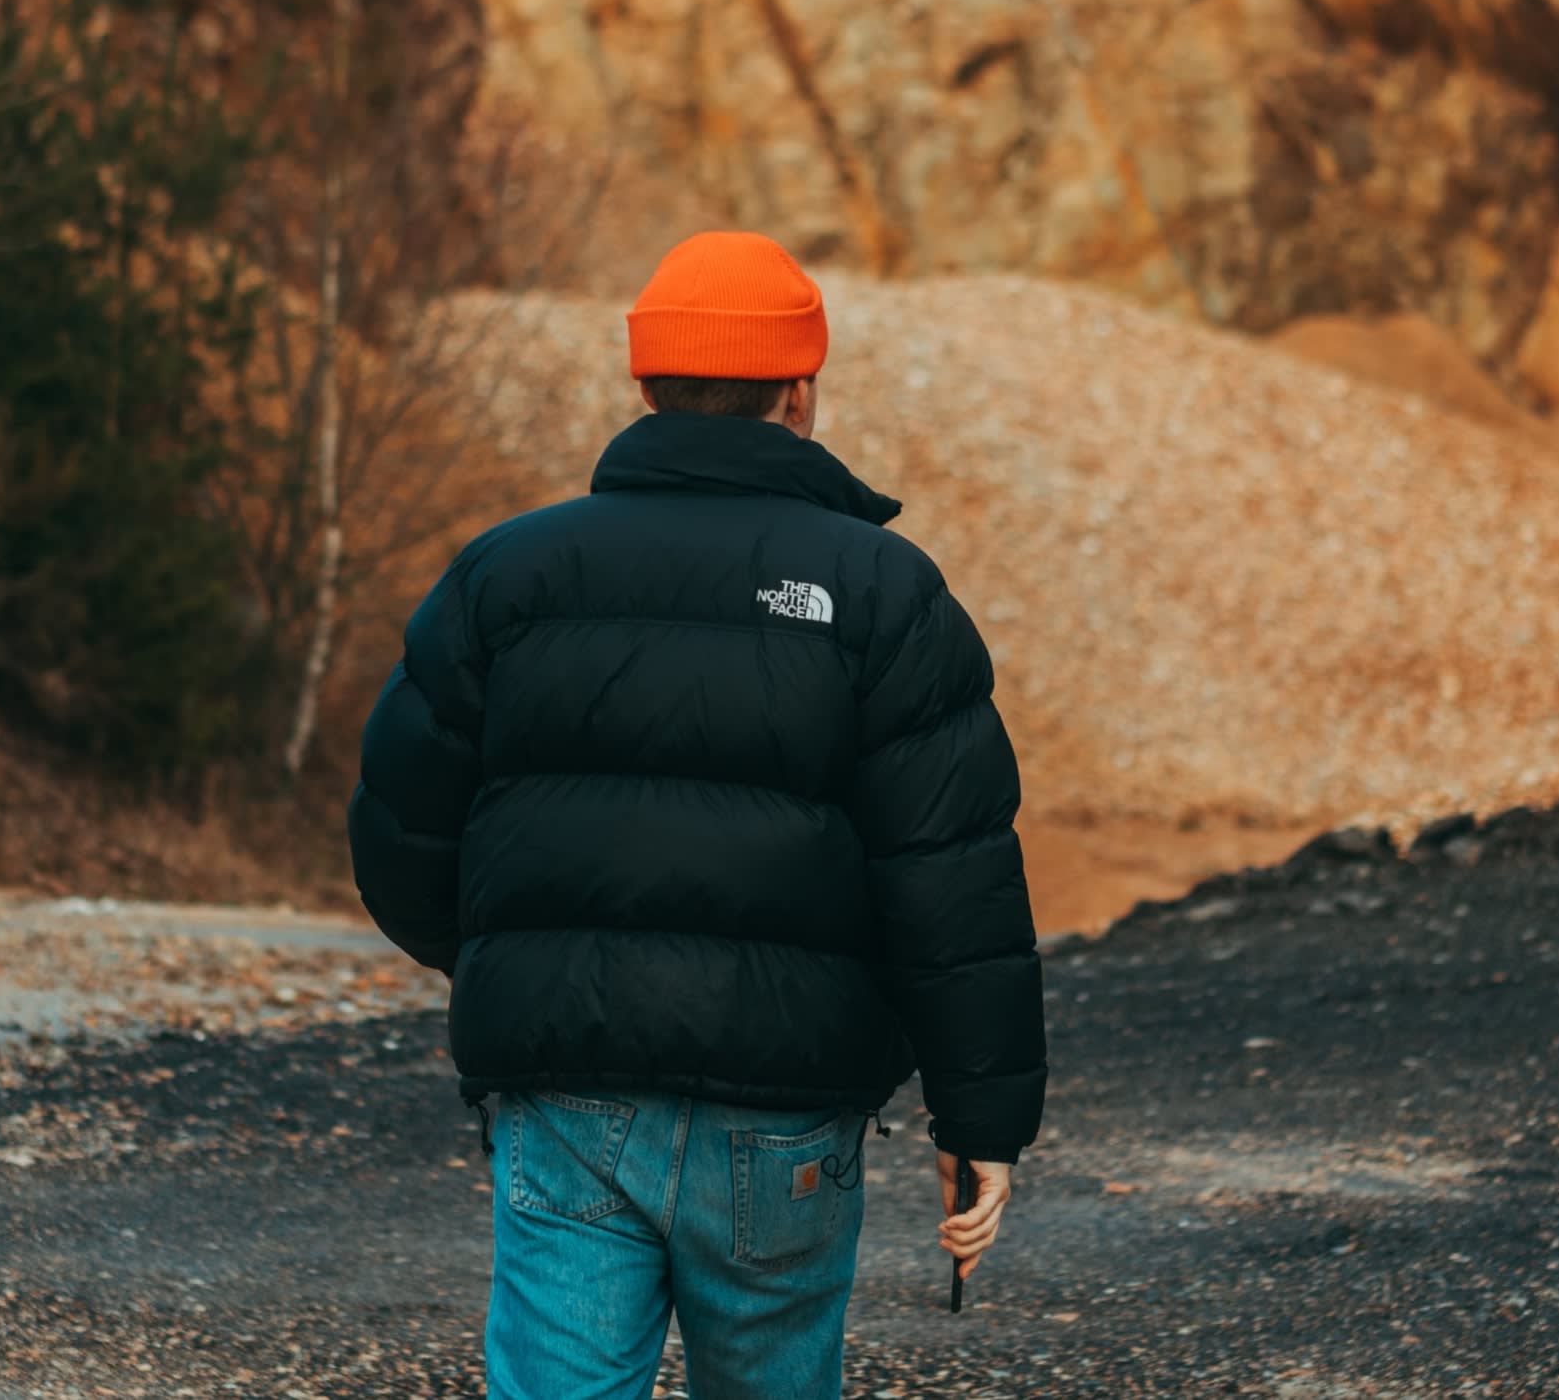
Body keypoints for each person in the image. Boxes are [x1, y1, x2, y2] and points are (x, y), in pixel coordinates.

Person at [348, 230, 1047, 1399]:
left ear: (646, 384)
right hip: (782, 1118)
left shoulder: (507, 575)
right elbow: (950, 874)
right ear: (801, 388)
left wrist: (519, 958)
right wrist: (979, 1113)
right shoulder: (883, 592)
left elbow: (400, 830)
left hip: (565, 1088)